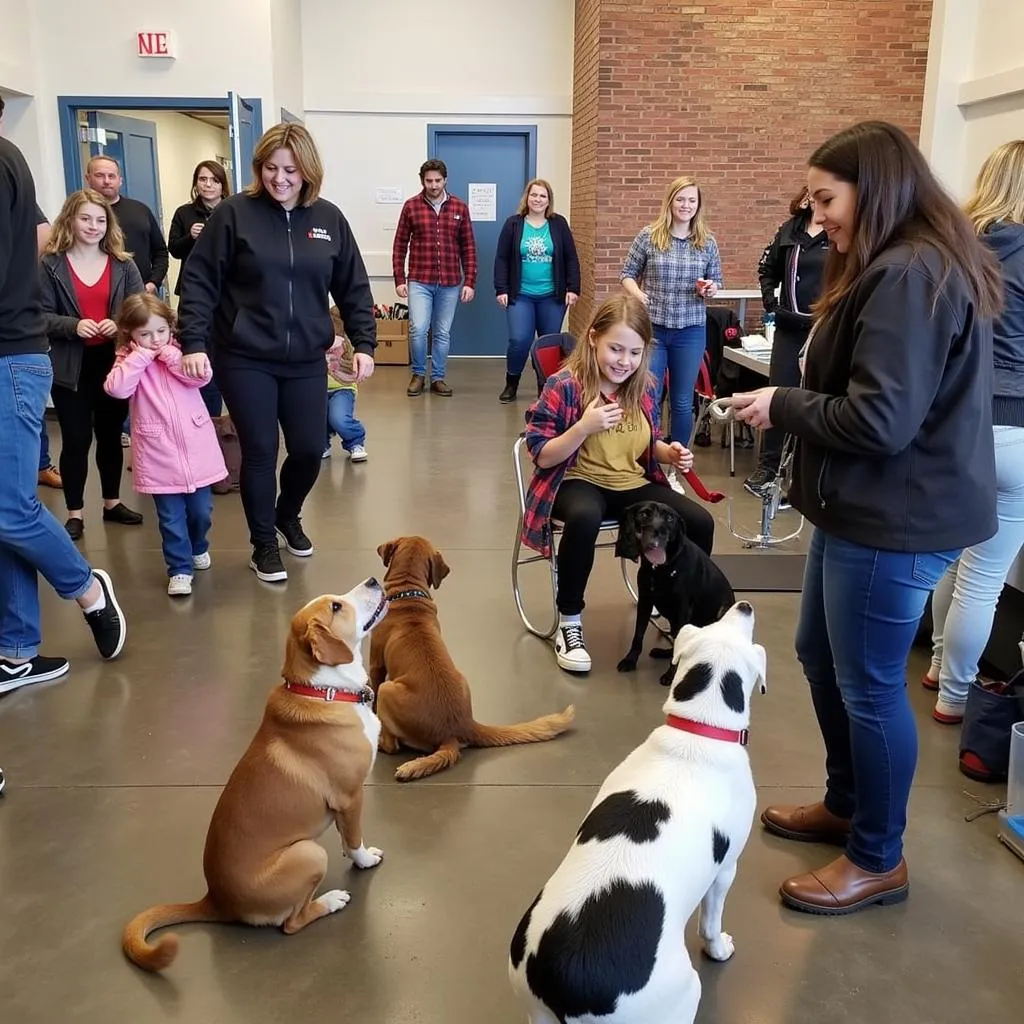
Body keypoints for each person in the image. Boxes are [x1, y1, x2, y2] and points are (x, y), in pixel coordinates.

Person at [730, 121, 1002, 915]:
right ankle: (848, 804)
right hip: (857, 507)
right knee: (820, 652)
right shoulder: (895, 261)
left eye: (827, 199)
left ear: (875, 186)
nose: (818, 219)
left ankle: (878, 856)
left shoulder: (913, 272)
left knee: (873, 686)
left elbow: (881, 421)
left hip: (894, 516)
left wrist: (783, 402)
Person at [177, 123, 376, 584]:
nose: (280, 178)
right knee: (262, 450)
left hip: (307, 356)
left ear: (308, 171)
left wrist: (364, 341)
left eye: (290, 169)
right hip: (245, 355)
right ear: (258, 168)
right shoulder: (234, 214)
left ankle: (288, 515)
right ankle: (263, 542)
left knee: (308, 449)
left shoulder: (328, 220)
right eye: (270, 168)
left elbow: (353, 286)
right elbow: (200, 282)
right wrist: (193, 341)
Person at [0, 130, 128, 714]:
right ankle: (17, 645)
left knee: (9, 506)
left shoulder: (4, 160)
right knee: (10, 502)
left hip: (11, 358)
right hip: (51, 361)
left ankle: (84, 586)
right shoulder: (50, 252)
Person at [521, 294, 715, 673]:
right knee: (584, 517)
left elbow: (646, 441)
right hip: (576, 480)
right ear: (592, 338)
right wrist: (584, 426)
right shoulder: (565, 386)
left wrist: (668, 453)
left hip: (630, 484)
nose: (624, 362)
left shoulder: (640, 386)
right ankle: (570, 621)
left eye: (635, 352)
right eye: (616, 349)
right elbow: (542, 454)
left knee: (699, 522)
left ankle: (680, 609)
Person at [925, 140, 1024, 724]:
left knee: (959, 559)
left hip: (961, 424)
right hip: (1016, 424)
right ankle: (954, 696)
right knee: (985, 575)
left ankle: (940, 664)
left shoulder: (960, 249)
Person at [40, 189, 146, 541]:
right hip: (70, 364)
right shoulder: (50, 264)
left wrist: (121, 323)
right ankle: (75, 513)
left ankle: (112, 503)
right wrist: (72, 326)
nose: (94, 226)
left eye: (101, 220)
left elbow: (139, 310)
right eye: (86, 218)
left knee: (111, 436)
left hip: (113, 362)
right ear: (70, 219)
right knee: (75, 438)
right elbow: (37, 315)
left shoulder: (123, 264)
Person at [105, 294, 227, 597]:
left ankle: (198, 546)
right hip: (158, 454)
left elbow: (202, 377)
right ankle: (179, 569)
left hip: (197, 448)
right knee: (171, 519)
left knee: (202, 512)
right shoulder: (127, 359)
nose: (154, 339)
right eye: (144, 334)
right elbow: (116, 388)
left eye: (161, 331)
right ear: (130, 334)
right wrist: (141, 357)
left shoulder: (183, 352)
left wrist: (171, 356)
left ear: (171, 328)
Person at [620, 176, 723, 442]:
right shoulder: (649, 236)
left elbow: (716, 280)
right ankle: (649, 455)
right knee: (649, 396)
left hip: (690, 330)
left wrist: (710, 288)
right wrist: (638, 294)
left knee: (681, 400)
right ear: (670, 201)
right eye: (680, 199)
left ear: (698, 205)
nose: (685, 205)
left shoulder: (707, 241)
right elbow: (628, 274)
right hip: (653, 329)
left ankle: (676, 464)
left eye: (691, 200)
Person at [744, 186, 829, 499]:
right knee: (778, 394)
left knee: (815, 397)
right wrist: (770, 302)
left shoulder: (838, 233)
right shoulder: (789, 231)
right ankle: (769, 466)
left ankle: (804, 472)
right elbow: (767, 269)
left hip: (823, 330)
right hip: (789, 328)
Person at [392, 159, 477, 398]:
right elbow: (400, 245)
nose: (433, 185)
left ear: (445, 180)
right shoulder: (411, 207)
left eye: (437, 180)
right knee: (418, 329)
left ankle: (438, 377)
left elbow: (468, 247)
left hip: (450, 282)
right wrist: (399, 278)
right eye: (428, 181)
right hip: (420, 279)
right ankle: (418, 374)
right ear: (422, 181)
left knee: (441, 332)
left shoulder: (459, 207)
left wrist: (469, 281)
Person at [494, 178, 580, 403]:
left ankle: (546, 387)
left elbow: (571, 257)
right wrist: (501, 289)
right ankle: (512, 381)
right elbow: (502, 259)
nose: (538, 199)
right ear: (527, 198)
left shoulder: (558, 224)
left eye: (543, 196)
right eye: (534, 195)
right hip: (520, 295)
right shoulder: (513, 224)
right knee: (519, 340)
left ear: (548, 200)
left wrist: (573, 288)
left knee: (549, 343)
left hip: (552, 297)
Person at [167, 160, 231, 419]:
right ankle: (202, 416)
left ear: (222, 185)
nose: (208, 185)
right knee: (198, 352)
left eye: (214, 180)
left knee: (223, 350)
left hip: (226, 293)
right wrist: (189, 238)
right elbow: (172, 249)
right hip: (195, 292)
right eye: (203, 179)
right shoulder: (184, 213)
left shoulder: (231, 211)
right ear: (196, 183)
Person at [85, 155, 168, 295]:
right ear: (88, 178)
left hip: (143, 295)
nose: (106, 181)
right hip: (99, 295)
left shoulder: (140, 210)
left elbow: (160, 252)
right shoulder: (79, 215)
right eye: (100, 175)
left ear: (120, 181)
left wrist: (154, 283)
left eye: (111, 176)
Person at [323, 306, 368, 463]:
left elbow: (352, 371)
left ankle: (355, 441)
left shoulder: (346, 345)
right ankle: (322, 444)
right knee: (314, 417)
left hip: (342, 389)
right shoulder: (315, 341)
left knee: (338, 418)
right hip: (317, 388)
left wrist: (338, 363)